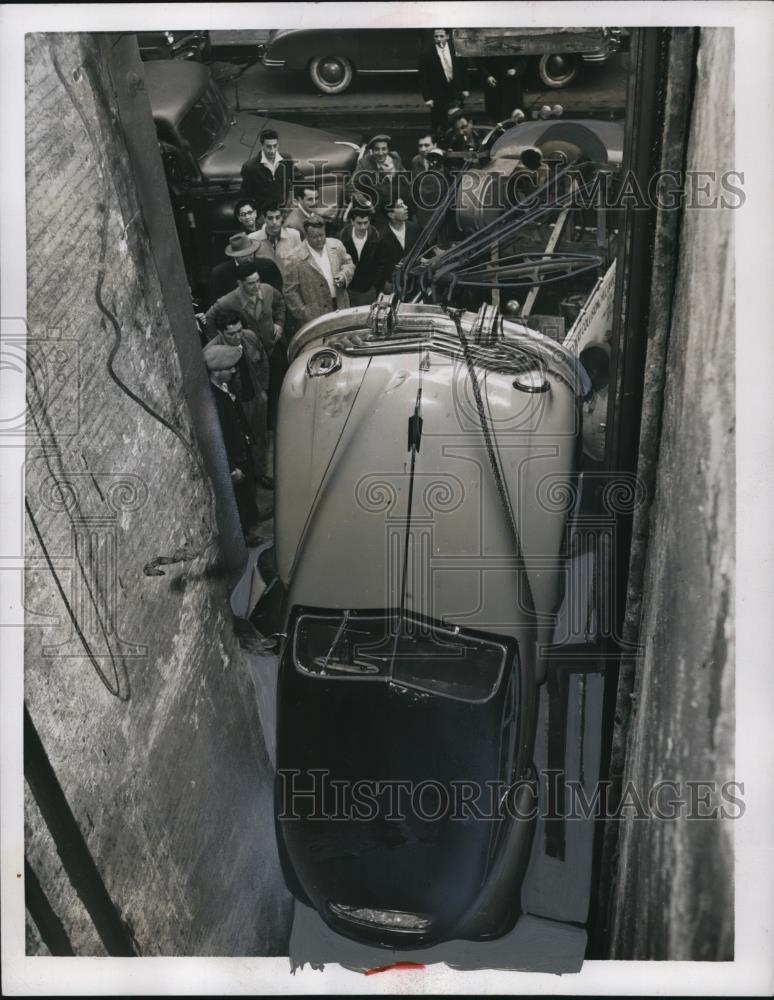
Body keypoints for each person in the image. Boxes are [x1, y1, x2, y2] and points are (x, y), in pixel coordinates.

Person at [205, 263, 286, 439]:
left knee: (278, 387)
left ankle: (277, 424)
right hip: (249, 356)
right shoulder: (228, 301)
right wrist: (221, 345)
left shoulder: (268, 290)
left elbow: (280, 304)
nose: (257, 286)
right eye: (251, 283)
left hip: (270, 349)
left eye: (258, 281)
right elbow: (210, 318)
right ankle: (263, 431)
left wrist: (279, 324)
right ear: (240, 283)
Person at [202, 340, 266, 544]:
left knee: (248, 492)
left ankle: (253, 519)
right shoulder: (213, 402)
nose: (234, 370)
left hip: (242, 450)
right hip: (234, 459)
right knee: (239, 498)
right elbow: (215, 439)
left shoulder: (224, 386)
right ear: (216, 371)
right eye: (229, 368)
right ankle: (245, 534)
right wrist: (230, 468)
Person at [204, 308, 273, 488]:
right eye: (231, 333)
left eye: (239, 331)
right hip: (237, 406)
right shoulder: (213, 353)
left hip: (257, 398)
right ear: (220, 332)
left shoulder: (250, 337)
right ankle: (250, 479)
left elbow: (263, 361)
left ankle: (261, 472)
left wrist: (263, 390)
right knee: (243, 445)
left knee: (260, 437)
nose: (237, 336)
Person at [284, 215, 355, 325]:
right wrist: (304, 312)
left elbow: (348, 264)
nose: (319, 239)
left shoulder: (336, 245)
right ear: (306, 236)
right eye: (314, 237)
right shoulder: (294, 258)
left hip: (341, 306)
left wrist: (344, 276)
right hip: (315, 316)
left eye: (322, 235)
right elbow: (290, 291)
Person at [417, 29, 470, 140]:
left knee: (458, 120)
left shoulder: (456, 50)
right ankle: (440, 144)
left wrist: (465, 88)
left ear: (447, 36)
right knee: (439, 123)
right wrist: (428, 98)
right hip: (438, 94)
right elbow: (423, 78)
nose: (439, 39)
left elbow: (463, 70)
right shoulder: (426, 54)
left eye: (441, 36)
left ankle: (460, 142)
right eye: (436, 37)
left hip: (455, 91)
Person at [208, 233, 283, 304]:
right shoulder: (219, 273)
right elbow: (217, 304)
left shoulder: (268, 266)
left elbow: (278, 294)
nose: (248, 259)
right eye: (243, 256)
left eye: (251, 254)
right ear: (235, 256)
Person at [349, 134, 409, 216]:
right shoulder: (364, 163)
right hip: (377, 209)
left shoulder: (395, 157)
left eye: (384, 149)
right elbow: (350, 187)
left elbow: (405, 179)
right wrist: (367, 204)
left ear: (388, 149)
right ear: (372, 151)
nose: (380, 153)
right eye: (376, 149)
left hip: (397, 206)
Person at [240, 128, 298, 211]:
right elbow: (246, 196)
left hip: (284, 211)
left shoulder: (286, 160)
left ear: (278, 145)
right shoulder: (250, 167)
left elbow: (297, 178)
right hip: (264, 214)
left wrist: (295, 199)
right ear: (262, 146)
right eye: (268, 147)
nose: (272, 150)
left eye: (275, 146)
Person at [339, 204, 383, 306]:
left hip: (369, 290)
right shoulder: (342, 238)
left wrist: (375, 285)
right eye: (359, 223)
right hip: (349, 290)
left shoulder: (377, 238)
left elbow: (381, 264)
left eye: (366, 223)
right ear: (352, 222)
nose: (363, 227)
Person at [375, 198, 421, 294]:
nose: (406, 207)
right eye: (400, 206)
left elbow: (423, 252)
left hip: (414, 285)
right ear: (391, 215)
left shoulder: (414, 229)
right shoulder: (381, 236)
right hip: (391, 288)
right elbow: (375, 265)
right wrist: (382, 284)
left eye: (404, 204)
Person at [248, 203, 302, 281]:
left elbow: (300, 263)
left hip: (289, 285)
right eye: (270, 218)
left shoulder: (294, 235)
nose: (274, 222)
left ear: (282, 217)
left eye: (278, 217)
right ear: (264, 218)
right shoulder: (252, 238)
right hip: (266, 286)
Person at [480, 56, 527, 123]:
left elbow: (523, 58)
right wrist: (487, 76)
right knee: (495, 116)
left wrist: (516, 69)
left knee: (514, 116)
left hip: (511, 83)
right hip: (494, 83)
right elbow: (480, 62)